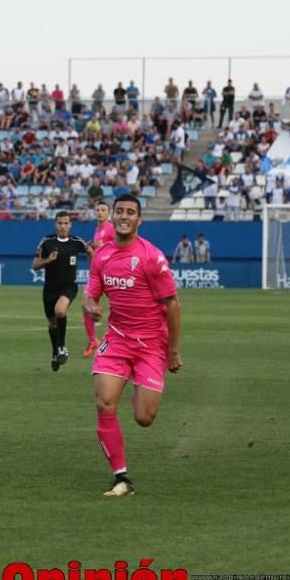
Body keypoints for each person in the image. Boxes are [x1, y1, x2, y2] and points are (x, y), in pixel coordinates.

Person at [82, 195, 182, 496]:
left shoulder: (152, 257)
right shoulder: (102, 256)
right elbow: (90, 295)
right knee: (104, 403)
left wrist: (172, 351)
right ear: (112, 217)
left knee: (144, 417)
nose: (124, 216)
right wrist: (90, 307)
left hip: (152, 343)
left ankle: (139, 382)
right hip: (117, 339)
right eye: (120, 211)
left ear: (139, 220)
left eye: (131, 213)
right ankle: (121, 476)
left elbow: (173, 305)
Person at [33, 211, 93, 371]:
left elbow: (90, 251)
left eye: (66, 223)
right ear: (56, 224)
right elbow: (35, 265)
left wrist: (95, 271)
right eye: (60, 223)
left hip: (68, 286)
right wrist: (48, 260)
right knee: (52, 323)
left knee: (60, 311)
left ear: (70, 225)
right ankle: (55, 352)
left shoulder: (76, 242)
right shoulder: (47, 242)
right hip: (50, 288)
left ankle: (62, 347)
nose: (63, 226)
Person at [82, 203, 115, 357]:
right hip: (97, 273)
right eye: (98, 210)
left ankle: (115, 341)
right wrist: (91, 247)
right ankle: (93, 340)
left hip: (111, 273)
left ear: (109, 213)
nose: (100, 213)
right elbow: (98, 250)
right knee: (85, 304)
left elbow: (120, 246)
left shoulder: (111, 228)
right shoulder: (97, 230)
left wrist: (105, 245)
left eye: (103, 210)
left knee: (119, 308)